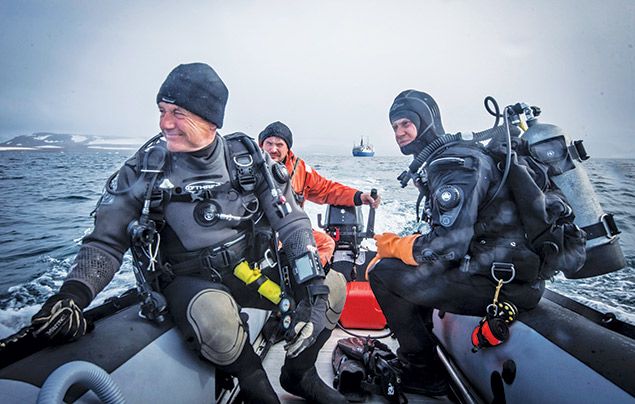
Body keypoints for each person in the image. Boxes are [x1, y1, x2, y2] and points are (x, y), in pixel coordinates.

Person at [29, 63, 348, 404]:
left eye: (178, 113)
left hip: (252, 271)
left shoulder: (247, 159)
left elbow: (292, 222)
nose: (165, 123)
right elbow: (107, 241)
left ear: (211, 120)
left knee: (333, 288)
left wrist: (311, 289)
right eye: (162, 111)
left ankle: (299, 374)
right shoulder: (145, 168)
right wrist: (73, 295)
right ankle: (254, 382)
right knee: (215, 317)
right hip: (189, 280)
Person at [368, 90, 547, 396]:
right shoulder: (454, 156)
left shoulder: (452, 163)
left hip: (503, 286)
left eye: (406, 123)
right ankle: (423, 352)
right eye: (395, 127)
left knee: (382, 272)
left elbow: (448, 246)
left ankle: (423, 372)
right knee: (404, 265)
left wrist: (394, 247)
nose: (399, 133)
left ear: (427, 122)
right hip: (504, 275)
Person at [259, 121, 381, 266]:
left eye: (279, 145)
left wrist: (359, 196)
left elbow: (327, 190)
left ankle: (307, 281)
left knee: (326, 243)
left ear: (287, 148)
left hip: (291, 230)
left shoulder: (301, 170)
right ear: (261, 145)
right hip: (257, 232)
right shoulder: (246, 167)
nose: (273, 149)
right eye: (269, 144)